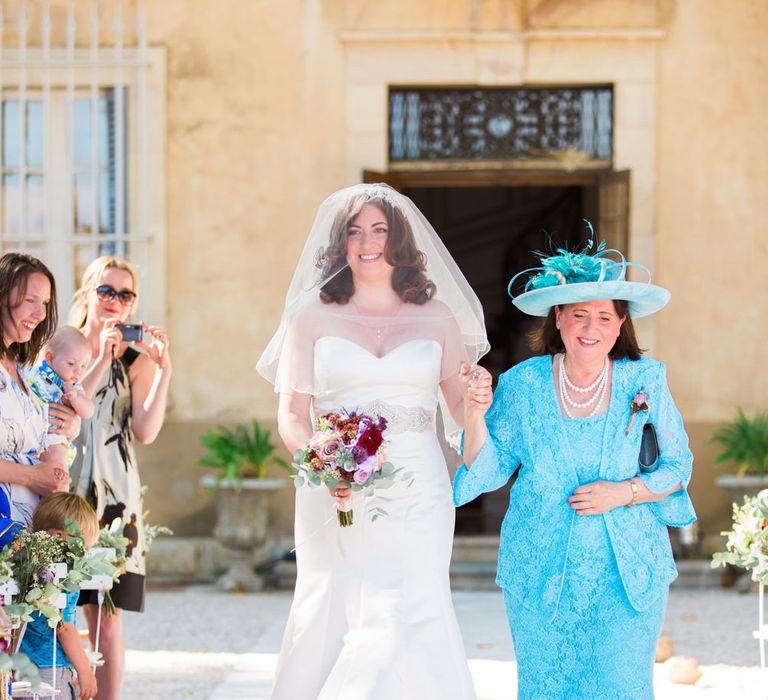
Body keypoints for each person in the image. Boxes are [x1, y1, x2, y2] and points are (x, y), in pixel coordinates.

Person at [257, 183, 488, 700]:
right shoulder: (311, 317)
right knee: (331, 603)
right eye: (355, 231)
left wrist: (477, 401)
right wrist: (324, 464)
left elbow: (456, 407)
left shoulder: (438, 317)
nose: (367, 242)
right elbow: (292, 415)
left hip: (420, 485)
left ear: (398, 240)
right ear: (340, 243)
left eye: (379, 230)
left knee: (416, 601)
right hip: (334, 485)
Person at [455, 231, 697, 699]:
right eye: (579, 314)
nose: (592, 327)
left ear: (620, 323)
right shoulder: (523, 384)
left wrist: (623, 492)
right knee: (548, 687)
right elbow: (484, 468)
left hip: (627, 570)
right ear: (559, 319)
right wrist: (473, 411)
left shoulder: (644, 378)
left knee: (621, 685)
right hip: (540, 569)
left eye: (604, 316)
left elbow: (677, 465)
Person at [69, 256, 172, 700]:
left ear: (133, 305)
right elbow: (75, 403)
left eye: (124, 294)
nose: (114, 301)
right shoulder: (62, 348)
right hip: (65, 492)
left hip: (115, 499)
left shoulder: (135, 361)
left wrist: (164, 369)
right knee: (56, 605)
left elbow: (146, 432)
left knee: (107, 616)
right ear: (88, 292)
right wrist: (99, 355)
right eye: (106, 291)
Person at [0, 253, 75, 525]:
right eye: (30, 300)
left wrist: (69, 425)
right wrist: (33, 476)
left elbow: (49, 436)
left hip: (29, 534)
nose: (40, 313)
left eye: (44, 303)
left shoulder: (25, 368)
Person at [20, 492, 100, 700]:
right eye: (84, 548)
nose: (84, 555)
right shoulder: (62, 579)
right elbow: (65, 629)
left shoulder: (27, 570)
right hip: (50, 668)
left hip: (19, 667)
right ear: (59, 537)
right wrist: (84, 670)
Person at [29, 326, 94, 469]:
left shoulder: (74, 387)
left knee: (55, 460)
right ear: (50, 358)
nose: (78, 371)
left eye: (84, 366)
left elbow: (88, 411)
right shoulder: (35, 373)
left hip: (54, 437)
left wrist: (75, 398)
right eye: (71, 363)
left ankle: (56, 487)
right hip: (30, 433)